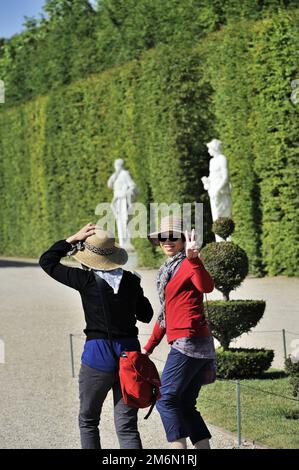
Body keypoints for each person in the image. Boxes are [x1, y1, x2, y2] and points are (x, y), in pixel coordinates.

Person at [39, 223, 153, 449]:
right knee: (128, 426)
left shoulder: (86, 280)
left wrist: (72, 237)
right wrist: (135, 294)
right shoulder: (131, 280)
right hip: (130, 354)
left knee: (89, 420)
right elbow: (146, 315)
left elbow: (47, 261)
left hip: (98, 353)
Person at [144, 216, 215, 449]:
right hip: (194, 340)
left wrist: (195, 260)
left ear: (183, 240)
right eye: (163, 237)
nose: (167, 241)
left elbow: (207, 287)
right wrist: (149, 347)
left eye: (173, 237)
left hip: (189, 341)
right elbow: (166, 314)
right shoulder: (168, 268)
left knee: (165, 399)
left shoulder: (188, 262)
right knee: (184, 404)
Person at [201, 139, 232, 240]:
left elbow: (225, 177)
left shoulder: (222, 159)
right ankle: (220, 243)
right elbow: (213, 177)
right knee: (216, 219)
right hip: (213, 193)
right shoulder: (212, 161)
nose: (209, 151)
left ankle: (227, 242)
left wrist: (218, 190)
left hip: (221, 192)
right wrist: (207, 181)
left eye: (210, 149)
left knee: (225, 218)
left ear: (215, 148)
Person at [107, 159, 136, 248]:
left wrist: (126, 193)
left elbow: (132, 185)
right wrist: (114, 176)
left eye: (118, 165)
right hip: (117, 200)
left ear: (121, 165)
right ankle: (122, 242)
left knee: (125, 220)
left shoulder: (125, 174)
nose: (116, 166)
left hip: (123, 200)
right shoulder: (115, 175)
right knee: (119, 221)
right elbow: (109, 185)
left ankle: (127, 242)